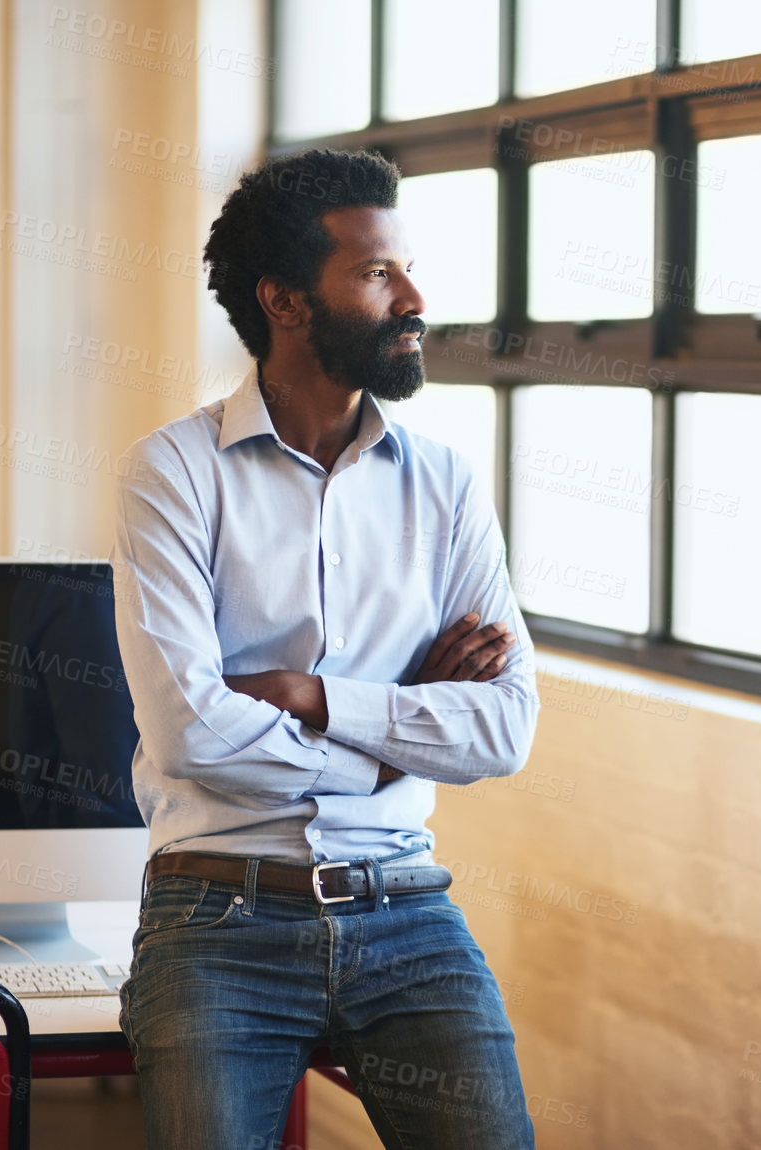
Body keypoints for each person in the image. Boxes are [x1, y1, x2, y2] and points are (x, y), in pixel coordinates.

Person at [111, 146, 540, 1150]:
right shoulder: (172, 473)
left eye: (406, 268)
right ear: (285, 300)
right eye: (377, 272)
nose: (414, 296)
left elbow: (504, 727)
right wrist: (394, 736)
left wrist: (311, 694)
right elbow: (189, 735)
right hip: (216, 917)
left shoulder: (443, 485)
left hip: (407, 910)